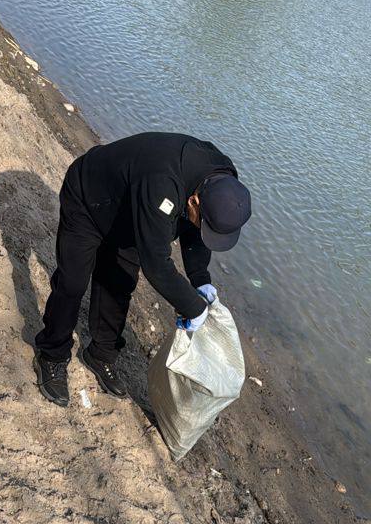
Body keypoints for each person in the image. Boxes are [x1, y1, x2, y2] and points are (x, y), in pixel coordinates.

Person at [33, 132, 252, 406]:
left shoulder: (221, 179)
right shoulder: (163, 182)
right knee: (72, 282)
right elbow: (156, 264)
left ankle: (100, 355)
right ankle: (51, 354)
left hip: (134, 210)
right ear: (194, 201)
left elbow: (196, 230)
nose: (203, 228)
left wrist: (200, 279)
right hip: (89, 198)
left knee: (120, 283)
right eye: (204, 222)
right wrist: (193, 307)